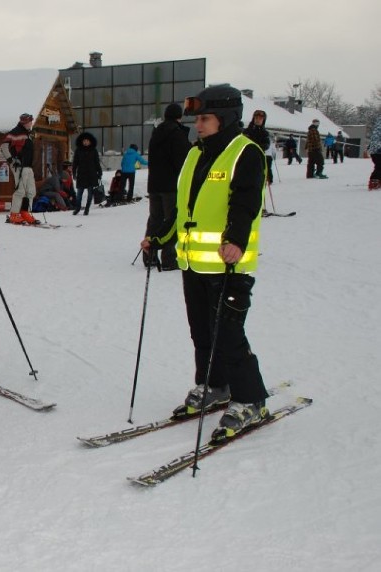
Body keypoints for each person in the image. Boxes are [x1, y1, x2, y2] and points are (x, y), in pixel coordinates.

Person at [141, 84, 269, 441]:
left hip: (228, 264)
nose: (198, 125)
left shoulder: (246, 153)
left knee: (229, 335)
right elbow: (183, 209)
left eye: (205, 119)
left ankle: (251, 399)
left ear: (225, 119)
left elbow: (245, 203)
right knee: (202, 332)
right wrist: (159, 236)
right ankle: (215, 385)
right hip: (194, 265)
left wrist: (236, 240)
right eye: (197, 119)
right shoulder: (195, 155)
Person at [143, 102, 191, 270]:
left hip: (154, 184)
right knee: (171, 220)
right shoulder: (177, 134)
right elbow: (184, 161)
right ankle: (169, 259)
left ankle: (149, 255)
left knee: (155, 219)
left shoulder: (156, 133)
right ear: (179, 116)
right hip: (171, 185)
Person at [5, 113, 38, 225]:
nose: (31, 124)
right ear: (24, 122)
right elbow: (4, 146)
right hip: (19, 166)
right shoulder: (15, 132)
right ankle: (14, 215)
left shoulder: (28, 134)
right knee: (20, 190)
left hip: (28, 166)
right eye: (29, 122)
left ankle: (25, 213)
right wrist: (11, 160)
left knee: (31, 191)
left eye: (31, 122)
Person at [71, 132, 104, 215]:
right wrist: (74, 173)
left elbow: (97, 162)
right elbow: (75, 163)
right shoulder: (78, 151)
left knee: (90, 195)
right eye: (84, 141)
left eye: (87, 141)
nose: (85, 142)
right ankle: (77, 208)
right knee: (79, 194)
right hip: (81, 175)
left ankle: (87, 209)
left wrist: (100, 172)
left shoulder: (94, 151)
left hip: (91, 175)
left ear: (90, 142)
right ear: (82, 142)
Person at [243, 109, 272, 185]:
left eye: (260, 119)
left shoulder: (264, 133)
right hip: (245, 158)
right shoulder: (246, 131)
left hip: (258, 158)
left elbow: (266, 145)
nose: (258, 120)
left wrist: (257, 147)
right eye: (256, 118)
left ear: (263, 120)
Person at [368, 117, 381, 190]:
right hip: (377, 150)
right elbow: (376, 138)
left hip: (375, 150)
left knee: (379, 166)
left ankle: (377, 179)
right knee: (379, 166)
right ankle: (374, 180)